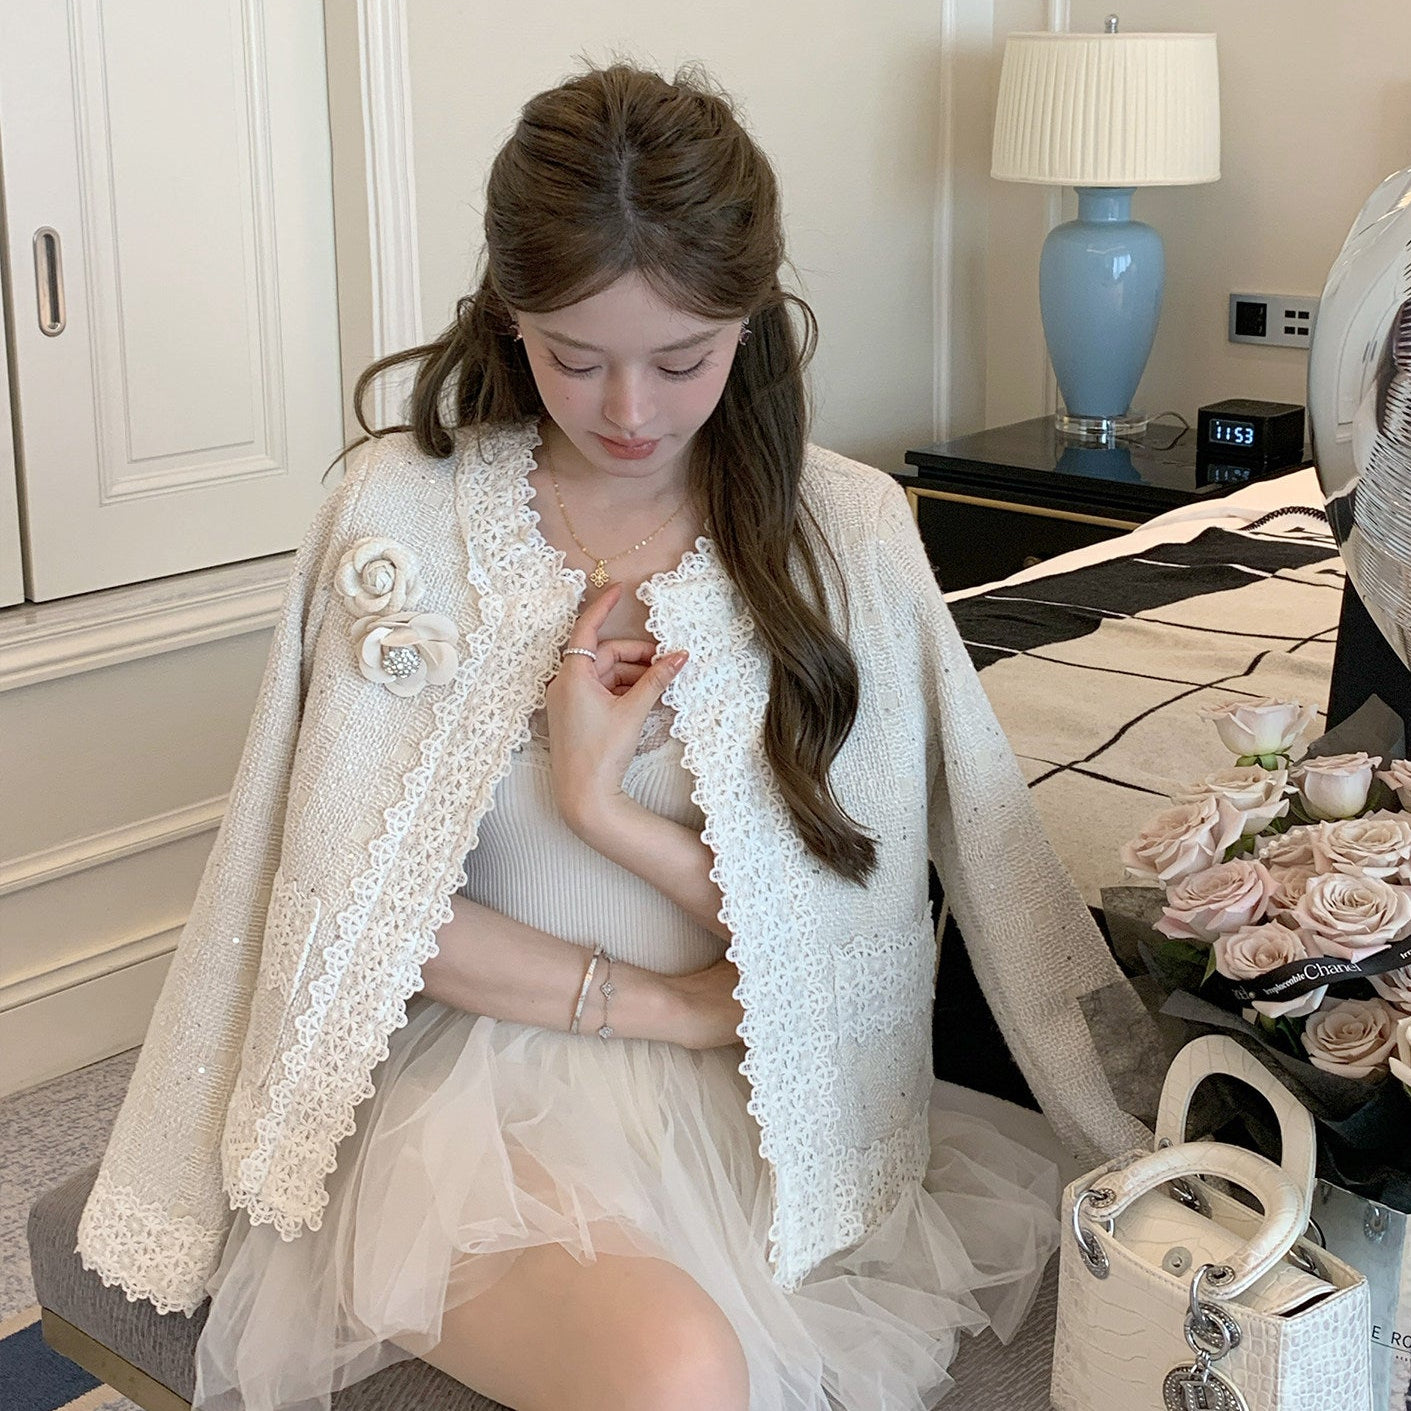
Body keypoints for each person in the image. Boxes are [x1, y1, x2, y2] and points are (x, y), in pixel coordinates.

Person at [76, 63, 1150, 1411]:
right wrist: (661, 1007)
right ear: (507, 317)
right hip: (464, 1100)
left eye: (683, 360)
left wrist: (603, 808)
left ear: (752, 321)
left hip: (758, 1093)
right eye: (574, 359)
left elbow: (846, 912)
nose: (629, 413)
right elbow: (354, 908)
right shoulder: (398, 512)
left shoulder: (849, 533)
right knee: (677, 1377)